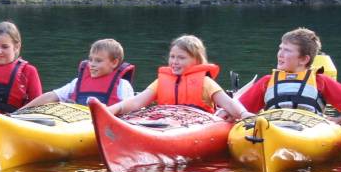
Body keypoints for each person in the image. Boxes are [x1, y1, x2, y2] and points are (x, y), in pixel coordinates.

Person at [108, 35, 253, 119]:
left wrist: (243, 114)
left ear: (196, 61)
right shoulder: (161, 82)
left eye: (181, 58)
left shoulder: (206, 82)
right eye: (172, 57)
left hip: (198, 125)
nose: (174, 62)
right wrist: (111, 110)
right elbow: (136, 102)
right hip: (165, 124)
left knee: (225, 112)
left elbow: (227, 103)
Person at [239, 27, 341, 119]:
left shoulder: (320, 81)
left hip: (308, 130)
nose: (280, 54)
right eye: (280, 49)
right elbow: (238, 108)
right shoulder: (267, 81)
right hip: (273, 127)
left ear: (304, 59)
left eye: (287, 50)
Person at [23, 39, 133, 108]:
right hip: (77, 128)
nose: (92, 64)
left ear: (114, 63)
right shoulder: (77, 83)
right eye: (90, 59)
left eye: (98, 61)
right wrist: (19, 112)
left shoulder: (123, 86)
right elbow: (52, 96)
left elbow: (129, 111)